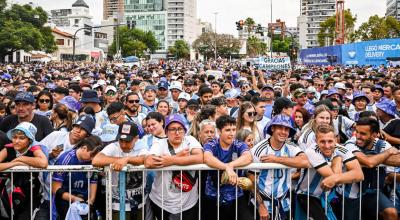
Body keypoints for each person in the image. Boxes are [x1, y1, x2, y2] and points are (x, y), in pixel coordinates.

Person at [296, 124, 364, 220]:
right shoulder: (311, 151)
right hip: (307, 195)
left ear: (336, 140)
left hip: (326, 197)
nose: (327, 146)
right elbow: (331, 176)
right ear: (316, 141)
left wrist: (338, 160)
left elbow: (359, 175)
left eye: (330, 141)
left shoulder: (341, 150)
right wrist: (337, 160)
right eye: (322, 142)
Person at [249, 114, 310, 220]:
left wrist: (276, 159)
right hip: (263, 203)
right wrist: (261, 206)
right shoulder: (259, 149)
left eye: (286, 129)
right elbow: (251, 179)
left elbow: (305, 161)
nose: (283, 132)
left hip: (285, 203)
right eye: (280, 128)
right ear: (272, 128)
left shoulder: (290, 147)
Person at [144, 114, 203, 219]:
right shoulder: (160, 143)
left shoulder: (190, 140)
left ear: (185, 130)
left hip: (188, 203)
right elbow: (148, 162)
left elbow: (200, 157)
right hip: (161, 201)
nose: (177, 133)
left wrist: (171, 160)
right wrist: (179, 156)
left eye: (180, 129)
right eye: (172, 129)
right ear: (166, 131)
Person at [345, 117, 400, 220]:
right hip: (350, 195)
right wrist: (386, 154)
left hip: (373, 192)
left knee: (391, 213)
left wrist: (376, 159)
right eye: (356, 131)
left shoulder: (382, 144)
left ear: (374, 135)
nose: (358, 136)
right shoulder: (350, 143)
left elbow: (398, 160)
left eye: (363, 133)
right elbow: (369, 163)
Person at [92, 122, 146, 220]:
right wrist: (119, 160)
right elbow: (96, 160)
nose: (123, 144)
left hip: (140, 202)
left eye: (128, 141)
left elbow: (146, 159)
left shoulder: (142, 145)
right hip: (117, 203)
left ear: (136, 138)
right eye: (121, 140)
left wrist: (127, 159)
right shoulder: (113, 146)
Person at [203, 115, 253, 220]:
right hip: (213, 196)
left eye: (234, 129)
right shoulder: (212, 144)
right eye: (227, 130)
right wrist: (227, 168)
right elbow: (207, 158)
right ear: (219, 131)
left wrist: (230, 166)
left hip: (236, 196)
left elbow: (248, 157)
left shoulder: (238, 144)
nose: (231, 133)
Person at [0, 122, 48, 219]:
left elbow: (43, 163)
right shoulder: (8, 148)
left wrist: (21, 159)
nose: (16, 141)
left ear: (29, 140)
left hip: (31, 192)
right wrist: (15, 163)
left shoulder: (34, 148)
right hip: (10, 190)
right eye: (14, 137)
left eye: (22, 138)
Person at [52, 136, 102, 220]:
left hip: (84, 202)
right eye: (92, 154)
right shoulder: (65, 159)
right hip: (65, 200)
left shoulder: (94, 161)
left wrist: (90, 201)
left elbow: (93, 182)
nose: (93, 158)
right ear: (84, 148)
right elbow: (55, 189)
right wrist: (75, 199)